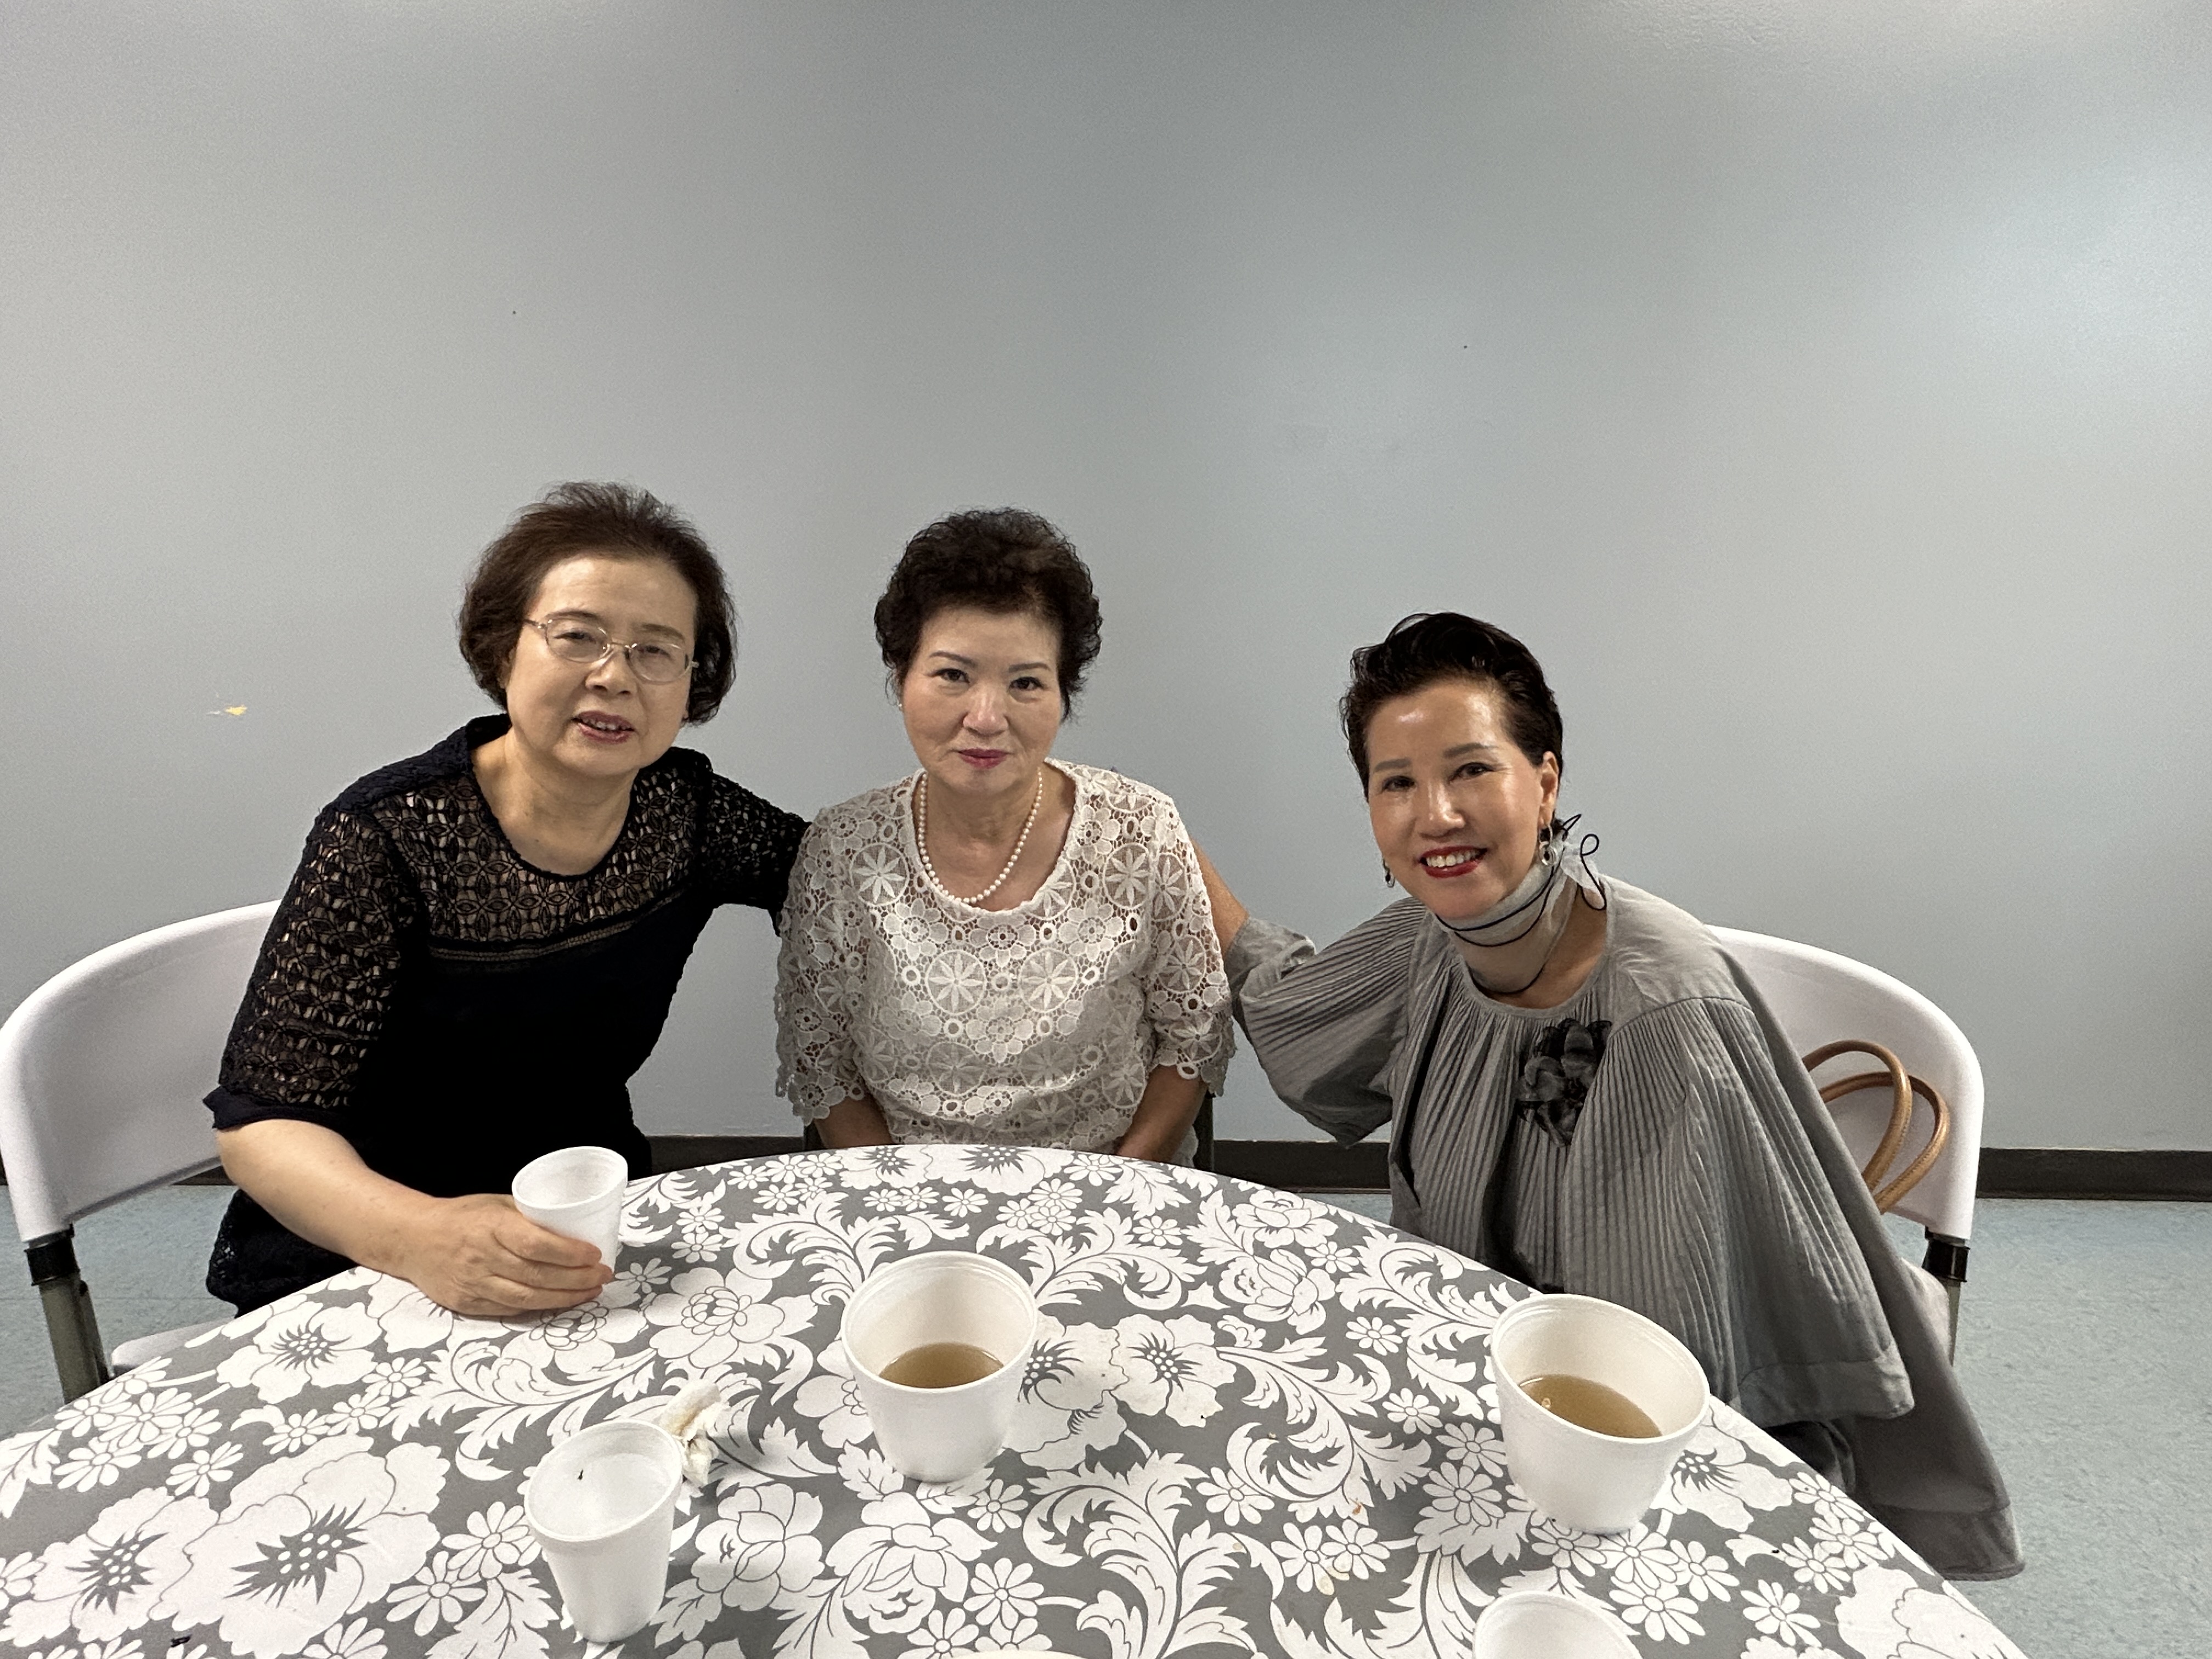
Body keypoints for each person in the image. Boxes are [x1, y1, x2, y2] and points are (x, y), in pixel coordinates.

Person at [1195, 611, 2018, 1579]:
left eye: (1471, 769)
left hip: (1628, 1460)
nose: (1436, 815)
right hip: (1485, 1385)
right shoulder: (1436, 936)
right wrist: (1170, 847)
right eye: (1397, 783)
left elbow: (1665, 1382)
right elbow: (1297, 1014)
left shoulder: (1662, 1020)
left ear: (1544, 782)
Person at [205, 483, 805, 1317]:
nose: (614, 676)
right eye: (577, 636)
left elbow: (847, 880)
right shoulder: (389, 835)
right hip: (369, 1245)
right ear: (502, 650)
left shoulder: (686, 813)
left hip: (583, 1219)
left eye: (655, 650)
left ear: (691, 682)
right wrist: (418, 1237)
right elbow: (260, 1127)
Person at [775, 508, 1232, 1159]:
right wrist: (905, 1199)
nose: (987, 718)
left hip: (1108, 1183)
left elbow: (1192, 1036)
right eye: (953, 675)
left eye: (1025, 683)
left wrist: (1115, 1187)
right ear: (901, 677)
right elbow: (824, 1063)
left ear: (1063, 693)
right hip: (903, 1188)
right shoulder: (842, 849)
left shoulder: (1141, 830)